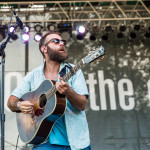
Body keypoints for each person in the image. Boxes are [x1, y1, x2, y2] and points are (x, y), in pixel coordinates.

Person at [7, 31, 91, 150]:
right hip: (43, 142)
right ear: (44, 49)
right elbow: (11, 101)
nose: (61, 44)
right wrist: (20, 105)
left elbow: (82, 105)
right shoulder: (33, 76)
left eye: (63, 41)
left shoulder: (74, 70)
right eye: (56, 41)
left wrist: (69, 92)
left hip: (76, 142)